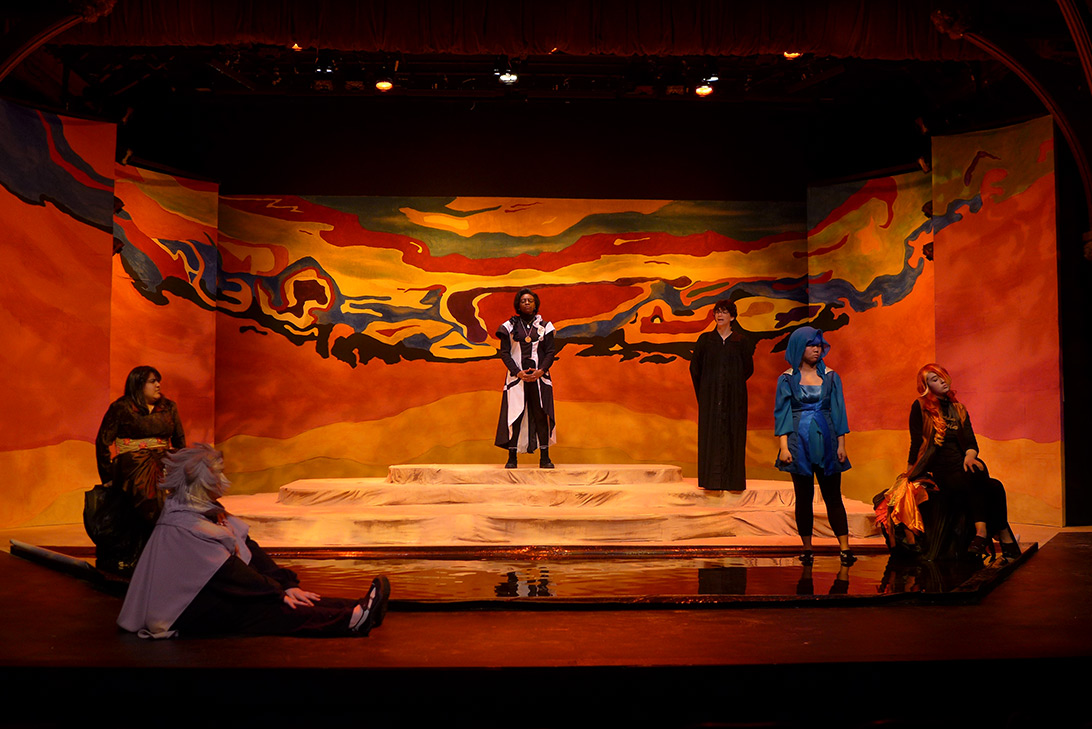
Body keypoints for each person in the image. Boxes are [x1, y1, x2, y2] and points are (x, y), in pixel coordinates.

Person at [118, 444, 390, 639]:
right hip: (183, 610)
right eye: (217, 472)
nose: (224, 480)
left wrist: (286, 584)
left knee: (288, 597)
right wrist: (278, 591)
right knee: (267, 610)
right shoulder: (183, 525)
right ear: (198, 479)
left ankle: (353, 608)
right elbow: (230, 573)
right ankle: (350, 620)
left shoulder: (207, 512)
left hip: (205, 594)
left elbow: (249, 549)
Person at [902, 364, 1020, 559]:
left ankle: (981, 534)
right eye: (933, 379)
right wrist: (908, 474)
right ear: (926, 386)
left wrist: (969, 455)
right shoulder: (921, 406)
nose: (940, 380)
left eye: (941, 376)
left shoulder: (958, 408)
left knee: (985, 477)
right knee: (992, 486)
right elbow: (916, 443)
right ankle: (1003, 534)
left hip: (963, 464)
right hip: (942, 470)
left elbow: (971, 441)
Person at [90, 365, 186, 575]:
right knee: (148, 497)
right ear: (138, 384)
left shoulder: (169, 407)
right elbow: (103, 441)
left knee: (180, 499)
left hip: (164, 461)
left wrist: (182, 470)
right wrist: (107, 476)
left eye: (158, 380)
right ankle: (146, 555)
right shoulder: (122, 407)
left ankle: (173, 553)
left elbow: (179, 441)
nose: (158, 385)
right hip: (133, 463)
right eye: (152, 381)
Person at [774, 327, 855, 566]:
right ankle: (807, 548)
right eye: (811, 344)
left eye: (819, 344)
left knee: (833, 496)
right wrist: (784, 446)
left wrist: (842, 444)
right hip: (799, 442)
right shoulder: (787, 378)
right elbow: (783, 413)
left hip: (827, 440)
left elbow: (839, 412)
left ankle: (845, 547)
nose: (817, 349)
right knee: (804, 497)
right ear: (799, 347)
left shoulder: (831, 376)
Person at [689, 299, 754, 490]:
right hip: (710, 399)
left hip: (734, 399)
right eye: (717, 311)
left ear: (732, 316)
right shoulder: (705, 340)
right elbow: (695, 368)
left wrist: (732, 386)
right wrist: (706, 392)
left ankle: (732, 481)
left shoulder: (740, 342)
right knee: (710, 436)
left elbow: (748, 369)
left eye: (724, 312)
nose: (720, 315)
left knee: (734, 434)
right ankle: (711, 481)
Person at [495, 288, 557, 469]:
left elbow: (551, 352)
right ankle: (512, 458)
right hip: (516, 379)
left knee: (540, 414)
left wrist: (541, 370)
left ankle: (544, 458)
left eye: (530, 300)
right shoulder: (509, 326)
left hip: (540, 379)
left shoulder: (545, 326)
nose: (527, 303)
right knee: (515, 415)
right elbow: (505, 353)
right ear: (518, 304)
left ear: (535, 303)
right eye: (523, 301)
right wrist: (517, 372)